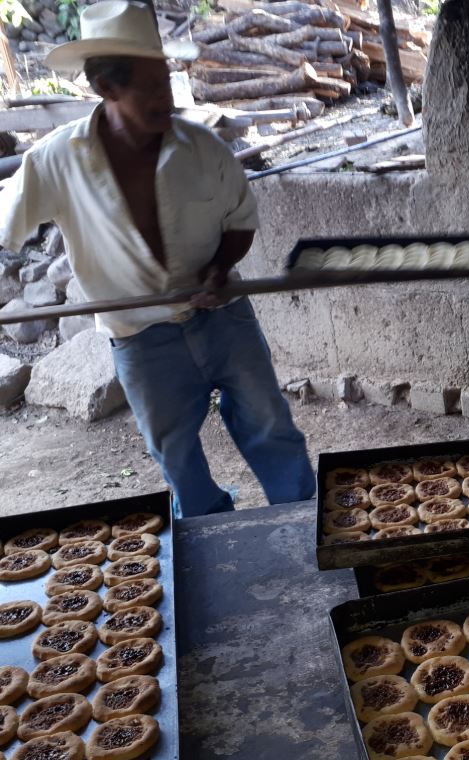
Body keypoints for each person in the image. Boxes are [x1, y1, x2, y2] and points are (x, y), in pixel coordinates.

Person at [0, 0, 316, 516]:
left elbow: (240, 221)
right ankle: (211, 535)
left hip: (223, 316)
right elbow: (5, 225)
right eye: (149, 86)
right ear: (107, 88)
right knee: (174, 452)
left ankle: (302, 515)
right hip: (139, 337)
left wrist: (218, 270)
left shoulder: (202, 148)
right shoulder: (55, 161)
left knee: (268, 423)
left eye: (165, 80)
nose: (165, 97)